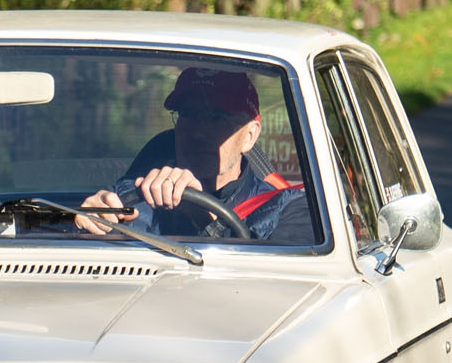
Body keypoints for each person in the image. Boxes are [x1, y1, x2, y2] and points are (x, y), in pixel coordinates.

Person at [77, 68, 311, 242]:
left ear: (249, 136)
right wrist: (85, 222)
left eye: (216, 117)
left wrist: (203, 219)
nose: (198, 132)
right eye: (188, 113)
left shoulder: (287, 210)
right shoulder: (133, 194)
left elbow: (275, 285)